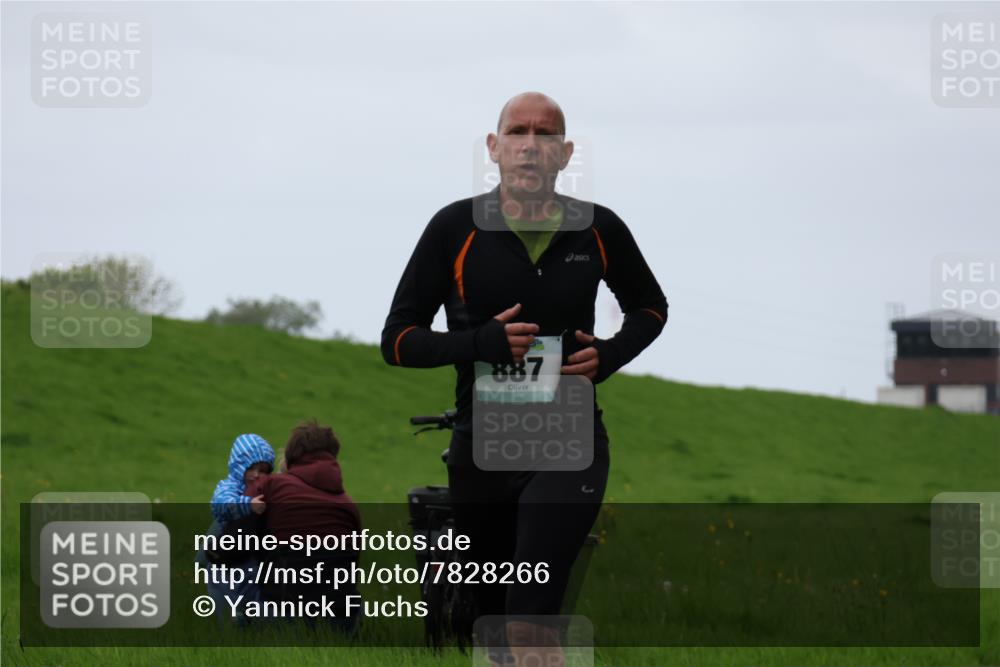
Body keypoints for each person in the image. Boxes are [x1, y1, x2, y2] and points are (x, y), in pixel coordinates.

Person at [381, 92, 668, 665]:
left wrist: (609, 356)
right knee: (491, 628)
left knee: (532, 619)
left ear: (564, 154)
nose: (530, 145)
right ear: (495, 148)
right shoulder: (454, 227)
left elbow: (650, 307)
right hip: (481, 448)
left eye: (545, 135)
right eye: (517, 132)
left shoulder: (598, 228)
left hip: (568, 441)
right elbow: (398, 340)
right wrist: (477, 343)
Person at [245, 419, 362, 634]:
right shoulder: (348, 505)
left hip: (284, 611)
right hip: (340, 617)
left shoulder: (272, 486)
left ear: (291, 456)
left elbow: (236, 535)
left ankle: (235, 632)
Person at [204, 433, 275, 623]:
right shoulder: (229, 486)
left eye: (263, 470)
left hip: (246, 545)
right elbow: (220, 504)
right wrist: (248, 504)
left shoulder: (261, 489)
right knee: (221, 583)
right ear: (238, 466)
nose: (257, 475)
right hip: (224, 539)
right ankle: (226, 623)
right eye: (251, 468)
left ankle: (244, 619)